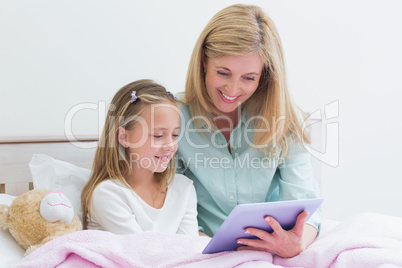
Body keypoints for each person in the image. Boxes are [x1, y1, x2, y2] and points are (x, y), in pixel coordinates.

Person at [176, 4, 321, 257]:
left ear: (265, 75)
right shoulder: (173, 118)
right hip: (200, 251)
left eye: (249, 78)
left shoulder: (285, 119)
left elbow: (306, 208)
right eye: (223, 73)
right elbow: (168, 208)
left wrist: (297, 242)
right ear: (204, 60)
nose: (232, 89)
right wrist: (213, 252)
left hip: (273, 252)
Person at [81, 79, 198, 236]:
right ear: (124, 137)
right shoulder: (108, 194)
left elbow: (190, 249)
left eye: (175, 134)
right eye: (158, 135)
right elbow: (142, 254)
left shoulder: (183, 188)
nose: (170, 145)